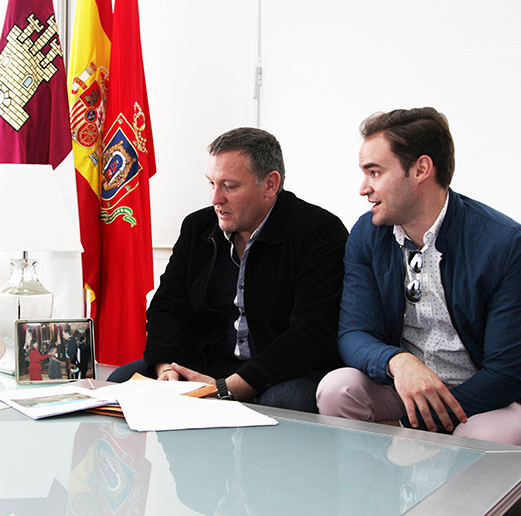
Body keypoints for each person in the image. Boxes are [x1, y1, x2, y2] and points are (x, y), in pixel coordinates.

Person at [317, 107, 521, 445]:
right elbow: (354, 333)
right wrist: (398, 361)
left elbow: (505, 375)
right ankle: (366, 496)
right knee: (337, 389)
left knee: (493, 435)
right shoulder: (367, 234)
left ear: (421, 169)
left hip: (484, 399)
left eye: (375, 172)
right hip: (403, 385)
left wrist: (413, 430)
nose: (364, 189)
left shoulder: (503, 243)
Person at [108, 127, 348, 412]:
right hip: (208, 363)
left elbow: (312, 332)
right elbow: (167, 307)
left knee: (284, 402)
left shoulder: (319, 232)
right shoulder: (197, 227)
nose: (215, 199)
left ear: (270, 185)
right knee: (120, 379)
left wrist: (227, 388)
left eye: (229, 186)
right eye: (211, 183)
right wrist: (166, 369)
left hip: (285, 370)